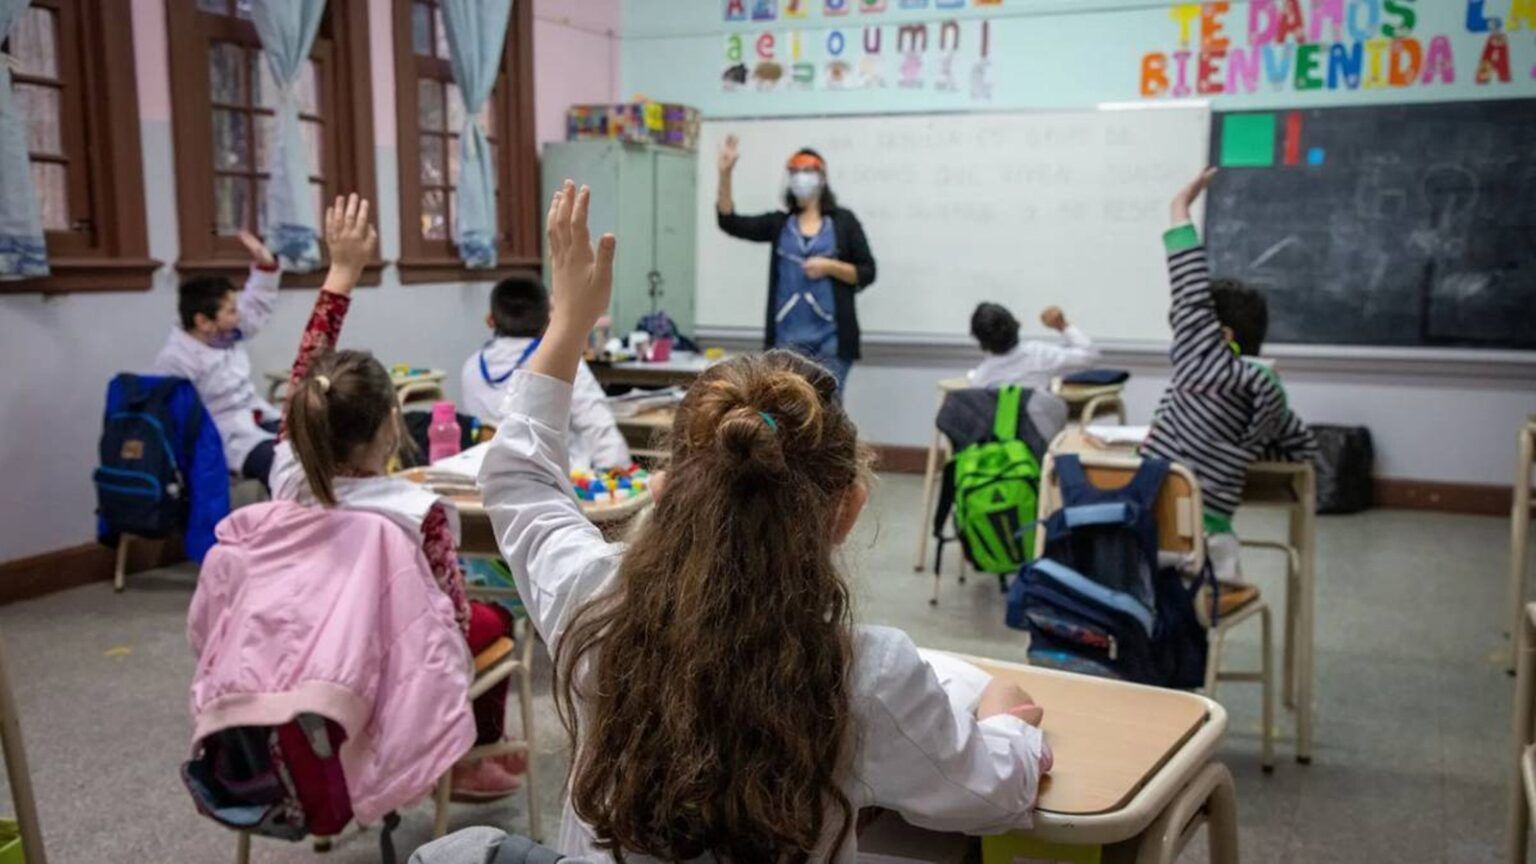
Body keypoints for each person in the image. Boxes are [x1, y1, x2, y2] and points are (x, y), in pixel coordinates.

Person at [480, 180, 1052, 862]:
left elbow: (517, 478)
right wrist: (1008, 723)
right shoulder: (867, 674)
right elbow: (993, 794)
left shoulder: (592, 601)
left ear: (662, 491)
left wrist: (567, 322)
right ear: (849, 508)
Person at [266, 195, 527, 801]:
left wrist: (342, 273)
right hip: (394, 668)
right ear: (393, 422)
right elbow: (452, 619)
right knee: (497, 620)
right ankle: (466, 760)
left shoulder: (285, 475)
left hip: (306, 649)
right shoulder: (412, 514)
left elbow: (310, 369)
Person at [1141, 169, 1317, 583]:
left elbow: (1189, 289)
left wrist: (1179, 208)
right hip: (1211, 550)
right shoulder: (1270, 393)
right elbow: (1303, 449)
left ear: (1220, 336)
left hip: (1152, 527)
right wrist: (1236, 456)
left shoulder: (1204, 364)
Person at [716, 136, 877, 394]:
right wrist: (725, 173)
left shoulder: (843, 222)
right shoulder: (780, 224)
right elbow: (729, 222)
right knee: (786, 415)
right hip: (785, 343)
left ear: (822, 178)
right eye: (795, 172)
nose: (801, 178)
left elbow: (867, 272)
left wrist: (830, 267)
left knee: (828, 415)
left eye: (808, 171)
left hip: (831, 343)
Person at [459, 273, 631, 470]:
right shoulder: (563, 360)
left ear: (490, 320)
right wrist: (622, 476)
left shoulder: (471, 366)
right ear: (549, 319)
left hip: (487, 479)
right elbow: (598, 427)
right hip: (556, 484)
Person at [152, 231, 283, 486]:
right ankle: (285, 522)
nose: (239, 316)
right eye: (231, 311)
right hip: (221, 439)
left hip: (252, 419)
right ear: (203, 321)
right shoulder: (176, 360)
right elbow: (175, 422)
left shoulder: (225, 334)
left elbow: (256, 305)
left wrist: (266, 265)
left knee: (312, 442)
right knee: (280, 463)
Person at [968, 302, 1100, 390]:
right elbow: (1090, 356)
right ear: (1017, 323)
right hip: (1043, 428)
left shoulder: (982, 378)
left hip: (1002, 430)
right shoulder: (1040, 354)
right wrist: (1062, 325)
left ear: (981, 343)